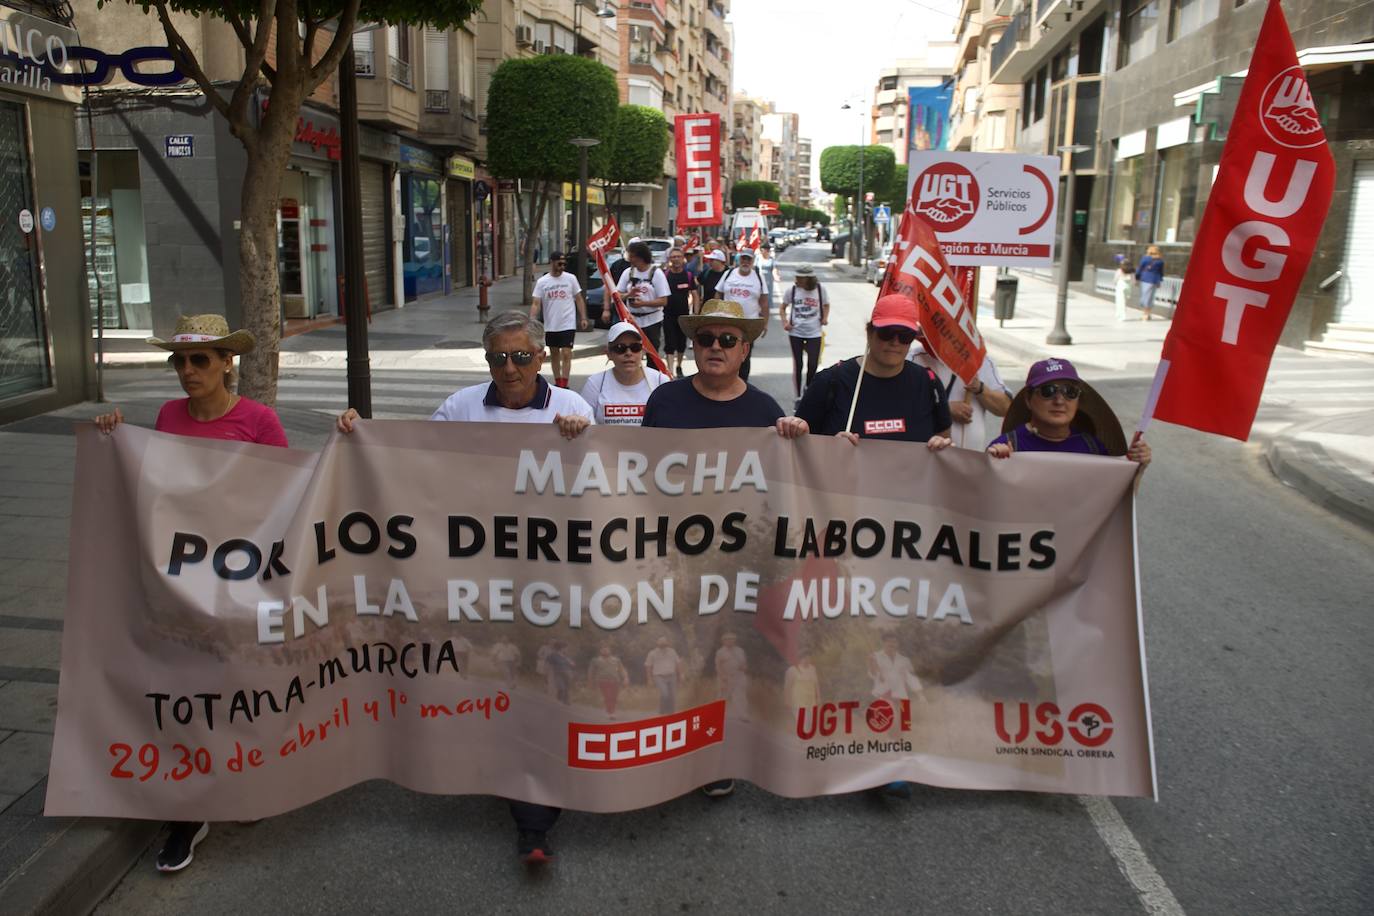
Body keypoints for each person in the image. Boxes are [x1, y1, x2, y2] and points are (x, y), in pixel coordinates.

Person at [337, 311, 593, 866]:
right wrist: (363, 436)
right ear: (486, 361)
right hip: (476, 579)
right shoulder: (460, 407)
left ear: (542, 358)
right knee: (496, 681)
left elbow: (600, 490)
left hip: (547, 580)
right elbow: (410, 460)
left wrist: (583, 438)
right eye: (498, 357)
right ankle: (500, 774)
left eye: (521, 356)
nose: (509, 368)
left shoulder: (572, 409)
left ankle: (534, 822)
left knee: (537, 686)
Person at [93, 314, 287, 874]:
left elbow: (288, 492)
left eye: (200, 360)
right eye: (179, 361)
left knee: (236, 682)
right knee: (184, 687)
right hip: (180, 580)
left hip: (240, 579)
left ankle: (243, 779)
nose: (187, 371)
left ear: (229, 363)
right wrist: (115, 439)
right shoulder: (166, 417)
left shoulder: (258, 420)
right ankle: (187, 813)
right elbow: (157, 488)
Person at [643, 298, 808, 797]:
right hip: (674, 555)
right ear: (692, 346)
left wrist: (798, 438)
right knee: (683, 649)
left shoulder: (764, 411)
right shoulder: (665, 401)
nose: (714, 348)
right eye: (705, 339)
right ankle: (669, 746)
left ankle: (716, 759)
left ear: (746, 349)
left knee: (719, 656)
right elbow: (635, 473)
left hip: (735, 565)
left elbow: (789, 488)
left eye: (727, 340)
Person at [795, 295, 953, 450]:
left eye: (905, 335)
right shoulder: (829, 381)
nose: (895, 342)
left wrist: (940, 446)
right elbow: (799, 447)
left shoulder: (928, 382)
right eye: (887, 333)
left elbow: (944, 439)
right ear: (869, 332)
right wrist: (830, 447)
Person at [987, 357, 1153, 471]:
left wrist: (1138, 467)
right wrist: (992, 468)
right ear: (1029, 400)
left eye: (1070, 392)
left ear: (1078, 400)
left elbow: (1116, 503)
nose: (1059, 400)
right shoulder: (1007, 447)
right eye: (1048, 391)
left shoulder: (1092, 448)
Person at [907, 326, 1012, 451]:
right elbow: (902, 406)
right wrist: (946, 409)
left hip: (971, 460)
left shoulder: (980, 360)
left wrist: (980, 388)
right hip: (931, 459)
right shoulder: (914, 358)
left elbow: (1005, 408)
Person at [578, 322, 671, 426]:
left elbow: (671, 423)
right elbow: (582, 422)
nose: (628, 353)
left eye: (635, 347)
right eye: (620, 348)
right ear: (609, 354)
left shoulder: (660, 381)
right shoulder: (595, 384)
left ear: (643, 352)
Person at [529, 251, 588, 389]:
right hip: (551, 325)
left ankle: (564, 383)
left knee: (566, 353)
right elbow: (536, 303)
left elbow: (578, 298)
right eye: (559, 263)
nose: (562, 266)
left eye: (564, 264)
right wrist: (531, 320)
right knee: (554, 353)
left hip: (568, 323)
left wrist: (583, 317)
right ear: (552, 262)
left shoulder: (571, 279)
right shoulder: (543, 282)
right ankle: (558, 381)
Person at [714, 249, 769, 381]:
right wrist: (715, 313)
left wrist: (765, 323)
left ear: (753, 261)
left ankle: (742, 383)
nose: (745, 262)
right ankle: (726, 379)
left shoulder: (758, 277)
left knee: (744, 355)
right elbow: (718, 294)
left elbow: (764, 302)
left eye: (748, 259)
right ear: (739, 260)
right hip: (727, 323)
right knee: (727, 351)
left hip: (748, 324)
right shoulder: (729, 274)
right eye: (743, 259)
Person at [610, 239, 671, 353]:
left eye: (632, 257)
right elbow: (616, 296)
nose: (630, 260)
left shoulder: (656, 273)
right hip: (632, 320)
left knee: (652, 353)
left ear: (641, 257)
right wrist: (629, 295)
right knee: (631, 352)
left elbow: (663, 300)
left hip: (652, 320)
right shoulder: (628, 272)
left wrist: (643, 303)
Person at [779, 264, 829, 402]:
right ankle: (798, 396)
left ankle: (808, 388)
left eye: (800, 278)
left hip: (814, 332)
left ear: (808, 278)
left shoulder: (820, 289)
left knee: (813, 364)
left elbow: (826, 305)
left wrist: (825, 317)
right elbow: (783, 307)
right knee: (798, 364)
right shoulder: (793, 290)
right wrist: (785, 323)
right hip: (796, 332)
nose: (797, 280)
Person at [661, 247, 700, 378]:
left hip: (683, 315)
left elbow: (695, 295)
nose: (676, 259)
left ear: (683, 259)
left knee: (681, 343)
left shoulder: (688, 275)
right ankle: (670, 370)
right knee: (669, 342)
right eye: (673, 257)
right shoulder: (664, 275)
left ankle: (679, 366)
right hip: (668, 314)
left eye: (678, 256)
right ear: (669, 259)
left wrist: (696, 312)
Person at [714, 632, 749, 721]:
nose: (730, 641)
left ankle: (742, 715)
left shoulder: (740, 651)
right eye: (727, 639)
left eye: (732, 639)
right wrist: (722, 677)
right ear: (723, 641)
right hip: (726, 676)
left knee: (740, 696)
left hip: (739, 676)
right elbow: (718, 666)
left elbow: (744, 663)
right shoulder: (720, 652)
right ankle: (717, 714)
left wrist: (744, 667)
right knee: (722, 696)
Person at [644, 636, 684, 715]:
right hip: (659, 676)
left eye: (664, 641)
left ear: (667, 643)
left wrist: (681, 674)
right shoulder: (652, 653)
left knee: (672, 695)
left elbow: (678, 663)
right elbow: (648, 666)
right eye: (660, 641)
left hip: (672, 676)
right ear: (657, 643)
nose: (662, 643)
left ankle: (671, 713)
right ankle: (662, 711)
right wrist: (649, 679)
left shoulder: (672, 652)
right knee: (665, 693)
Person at [588, 645, 630, 719]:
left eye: (607, 650)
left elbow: (622, 669)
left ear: (610, 651)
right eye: (603, 650)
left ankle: (611, 711)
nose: (605, 651)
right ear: (600, 651)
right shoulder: (596, 660)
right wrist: (590, 681)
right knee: (607, 696)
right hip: (602, 681)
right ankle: (611, 713)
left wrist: (625, 678)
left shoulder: (616, 660)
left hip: (615, 680)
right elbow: (591, 671)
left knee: (614, 697)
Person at [783, 649, 820, 715]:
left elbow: (816, 684)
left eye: (808, 657)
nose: (807, 659)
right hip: (798, 702)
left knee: (810, 723)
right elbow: (787, 687)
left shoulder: (812, 669)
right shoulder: (793, 670)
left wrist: (818, 697)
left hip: (811, 702)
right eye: (804, 658)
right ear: (800, 659)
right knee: (803, 723)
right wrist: (787, 701)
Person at [1135, 245, 1165, 321]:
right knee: (1150, 297)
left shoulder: (1145, 259)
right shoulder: (1160, 261)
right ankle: (1148, 313)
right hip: (1155, 280)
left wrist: (1137, 278)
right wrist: (1159, 281)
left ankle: (1145, 314)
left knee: (1145, 297)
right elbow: (1160, 272)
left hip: (1145, 279)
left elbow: (1140, 268)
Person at [1114, 254, 1134, 322]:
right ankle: (1120, 314)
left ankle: (1120, 315)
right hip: (1128, 286)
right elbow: (1133, 280)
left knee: (1120, 301)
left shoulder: (1119, 270)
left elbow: (1115, 279)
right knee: (1124, 301)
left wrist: (1115, 283)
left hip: (1120, 285)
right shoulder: (1131, 271)